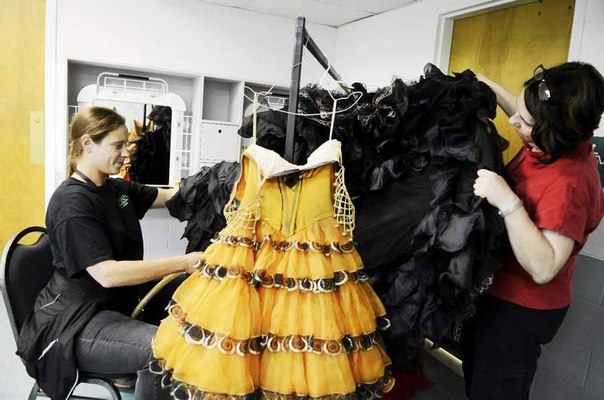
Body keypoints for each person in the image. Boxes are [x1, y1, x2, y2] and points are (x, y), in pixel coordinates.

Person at [16, 106, 203, 400]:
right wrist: (182, 262)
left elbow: (170, 196)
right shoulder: (72, 203)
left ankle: (131, 369)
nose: (126, 153)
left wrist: (221, 183)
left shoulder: (116, 190)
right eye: (118, 145)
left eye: (126, 144)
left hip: (111, 304)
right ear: (87, 143)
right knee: (164, 348)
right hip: (75, 323)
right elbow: (107, 274)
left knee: (193, 291)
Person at [463, 61, 604, 400]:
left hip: (521, 309)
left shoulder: (569, 184)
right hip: (498, 291)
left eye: (525, 122)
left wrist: (507, 200)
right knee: (478, 376)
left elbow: (544, 267)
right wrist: (482, 82)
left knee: (496, 391)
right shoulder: (552, 141)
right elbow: (519, 109)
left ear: (553, 130)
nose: (514, 122)